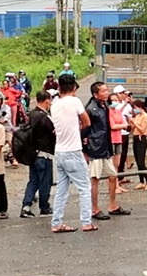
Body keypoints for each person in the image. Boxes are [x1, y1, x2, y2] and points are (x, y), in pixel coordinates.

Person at [50, 74, 96, 233]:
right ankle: (86, 221)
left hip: (60, 151)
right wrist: (77, 130)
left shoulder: (54, 103)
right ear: (74, 87)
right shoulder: (75, 101)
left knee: (62, 189)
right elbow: (87, 121)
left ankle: (56, 222)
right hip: (73, 151)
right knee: (84, 187)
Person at [84, 81, 130, 221]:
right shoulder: (90, 109)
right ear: (95, 94)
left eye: (106, 90)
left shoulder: (104, 106)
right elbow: (85, 130)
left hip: (106, 147)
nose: (106, 92)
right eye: (103, 91)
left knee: (112, 175)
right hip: (95, 148)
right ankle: (94, 209)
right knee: (95, 179)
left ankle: (112, 205)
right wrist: (86, 149)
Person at [20, 91, 55, 218]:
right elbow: (55, 132)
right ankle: (44, 207)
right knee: (45, 181)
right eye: (50, 101)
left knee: (33, 181)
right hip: (44, 154)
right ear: (46, 101)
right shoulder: (44, 117)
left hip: (32, 154)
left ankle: (26, 206)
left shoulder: (31, 114)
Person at [107, 93, 129, 194]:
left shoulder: (117, 111)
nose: (115, 102)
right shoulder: (108, 112)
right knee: (111, 165)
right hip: (111, 139)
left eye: (116, 100)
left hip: (118, 138)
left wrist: (121, 125)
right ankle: (113, 187)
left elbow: (124, 123)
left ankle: (117, 185)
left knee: (117, 164)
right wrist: (122, 125)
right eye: (112, 100)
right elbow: (112, 126)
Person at [129, 99, 147, 190]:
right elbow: (133, 128)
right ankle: (141, 181)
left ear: (140, 107)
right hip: (135, 138)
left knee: (142, 162)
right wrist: (131, 122)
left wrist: (134, 122)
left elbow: (142, 129)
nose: (135, 110)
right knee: (138, 162)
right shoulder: (138, 115)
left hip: (141, 139)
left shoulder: (146, 117)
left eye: (135, 108)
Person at [113, 85, 133, 186]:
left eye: (123, 93)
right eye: (121, 93)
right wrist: (124, 104)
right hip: (118, 133)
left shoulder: (127, 105)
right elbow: (116, 114)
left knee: (124, 154)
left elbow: (131, 115)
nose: (123, 95)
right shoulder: (115, 104)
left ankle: (121, 177)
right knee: (118, 156)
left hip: (126, 132)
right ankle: (116, 179)